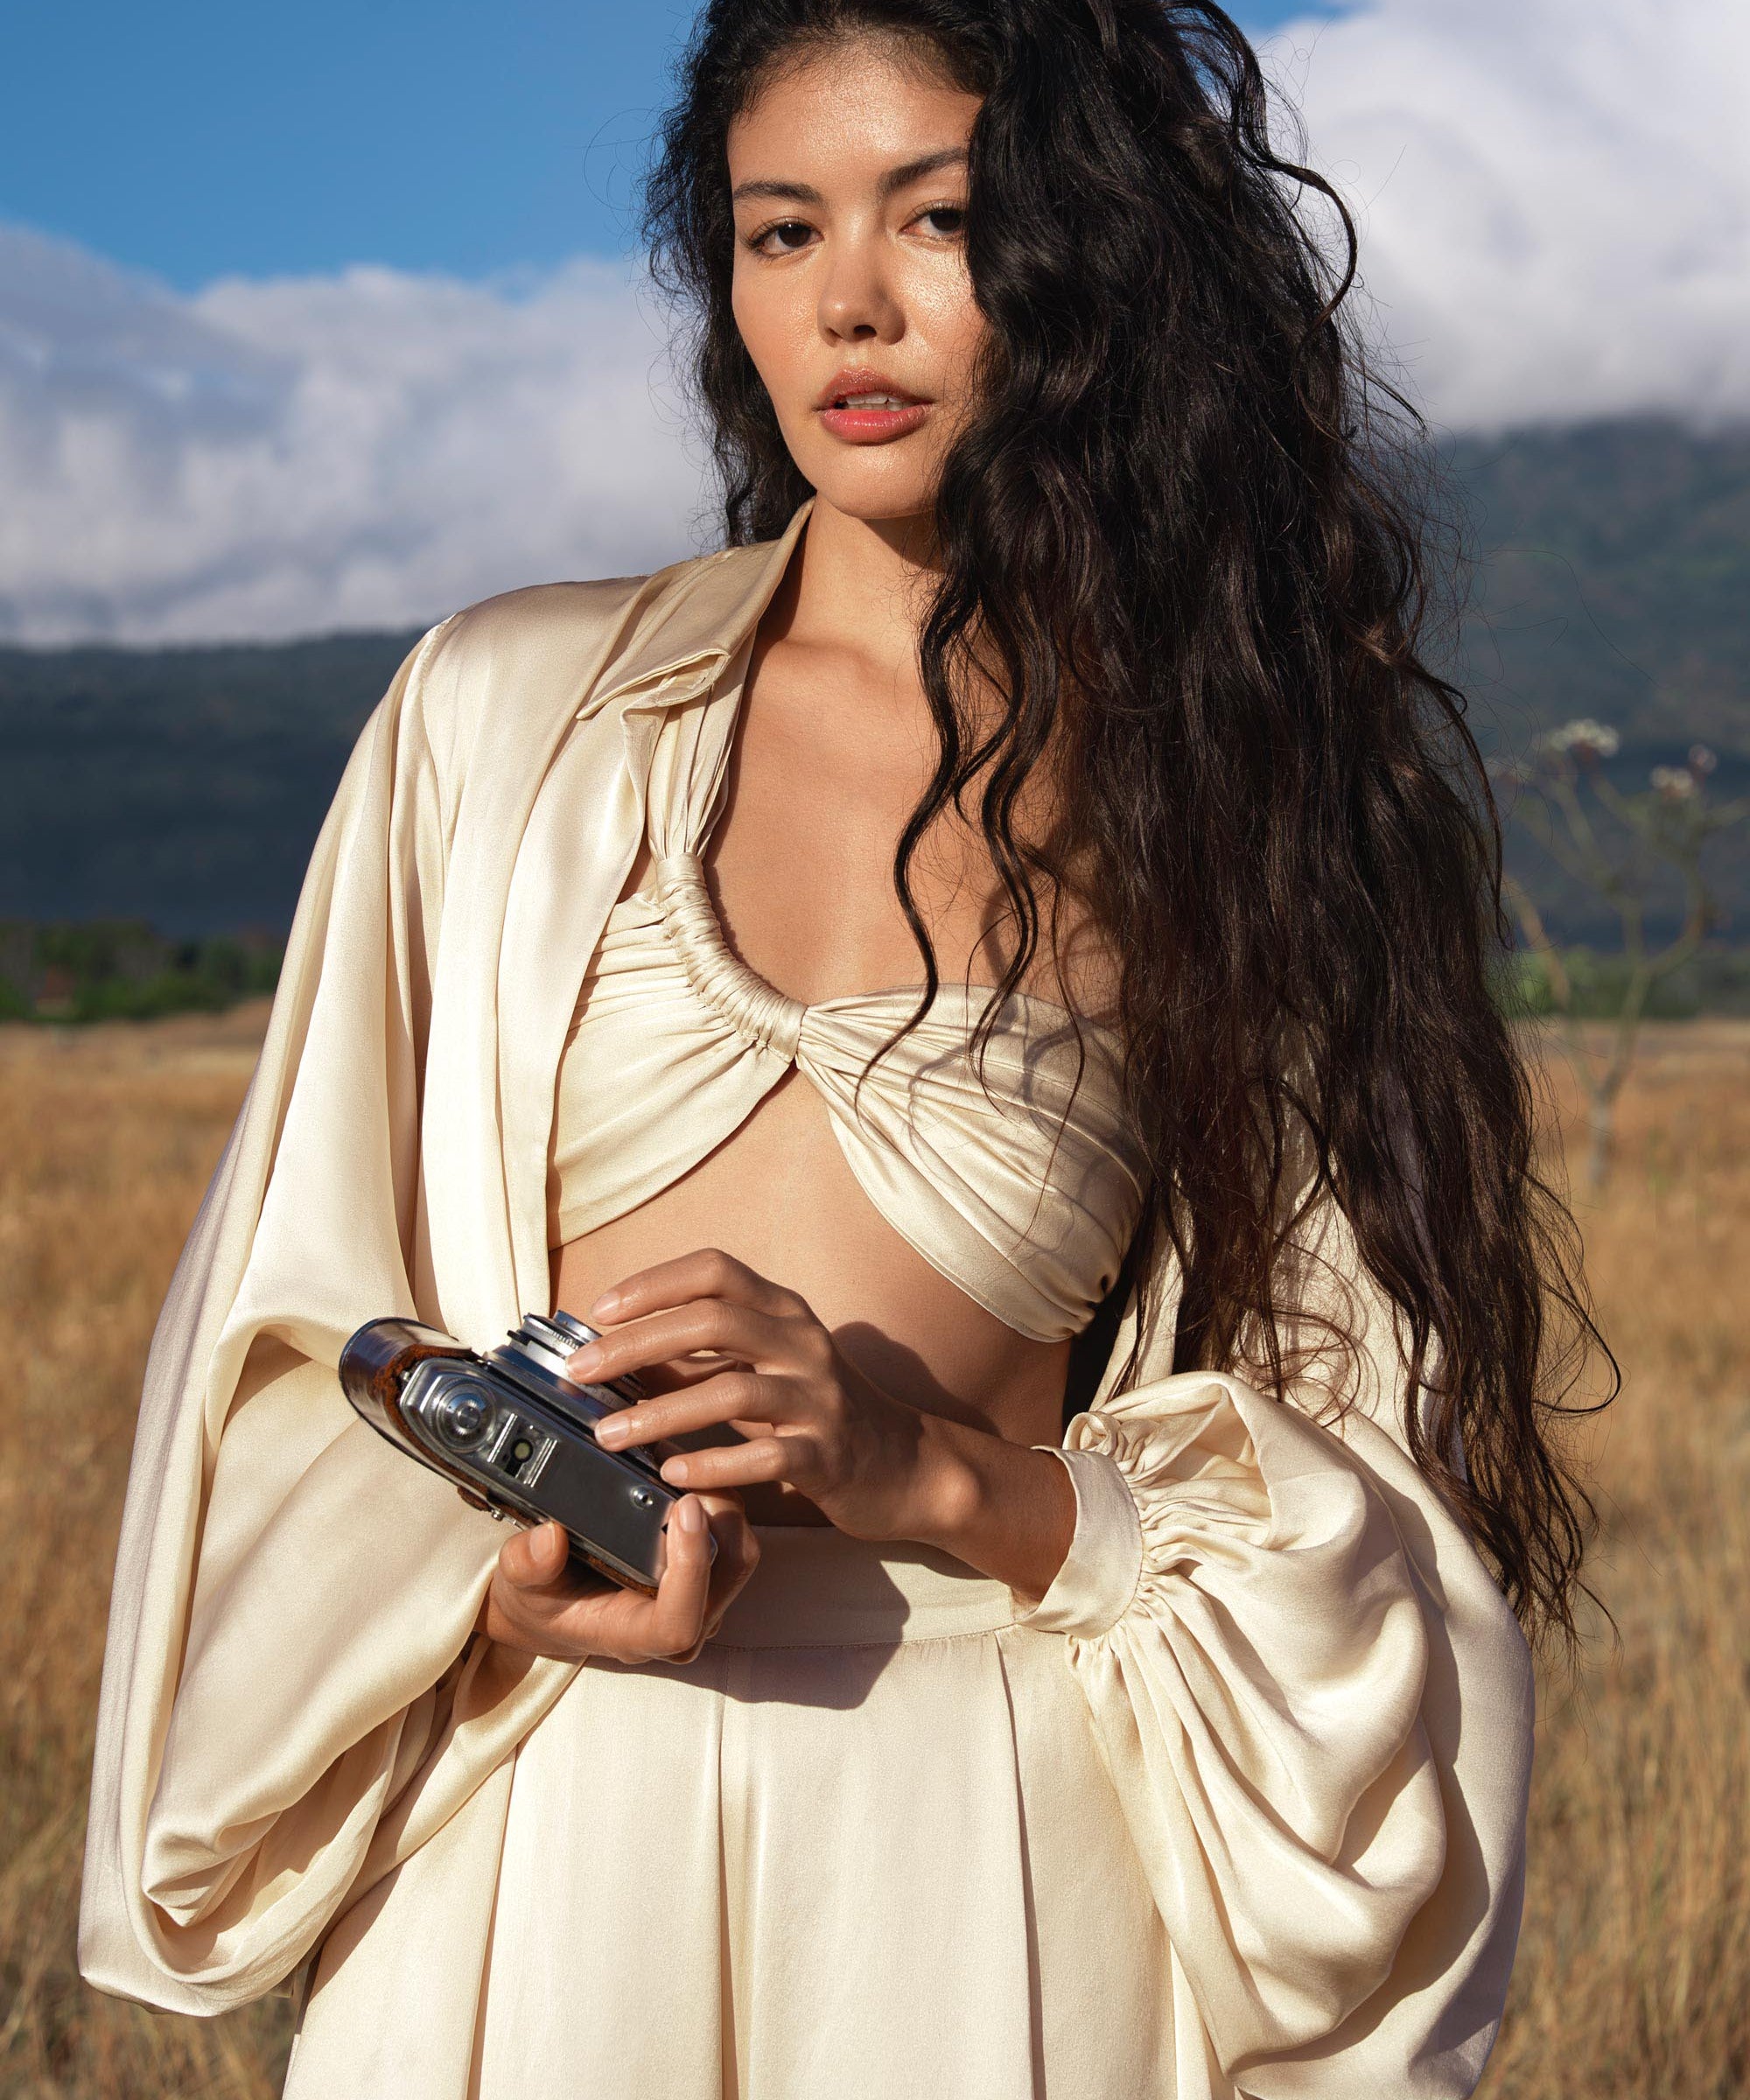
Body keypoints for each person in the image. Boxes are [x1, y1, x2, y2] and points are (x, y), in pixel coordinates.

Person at [79, 3, 1600, 2095]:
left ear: (1089, 262)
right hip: (541, 1828)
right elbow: (294, 1330)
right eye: (779, 232)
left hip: (980, 1853)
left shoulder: (1240, 815)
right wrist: (500, 1561)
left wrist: (932, 1476)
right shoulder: (499, 718)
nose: (848, 306)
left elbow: (1364, 1513)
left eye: (938, 221)